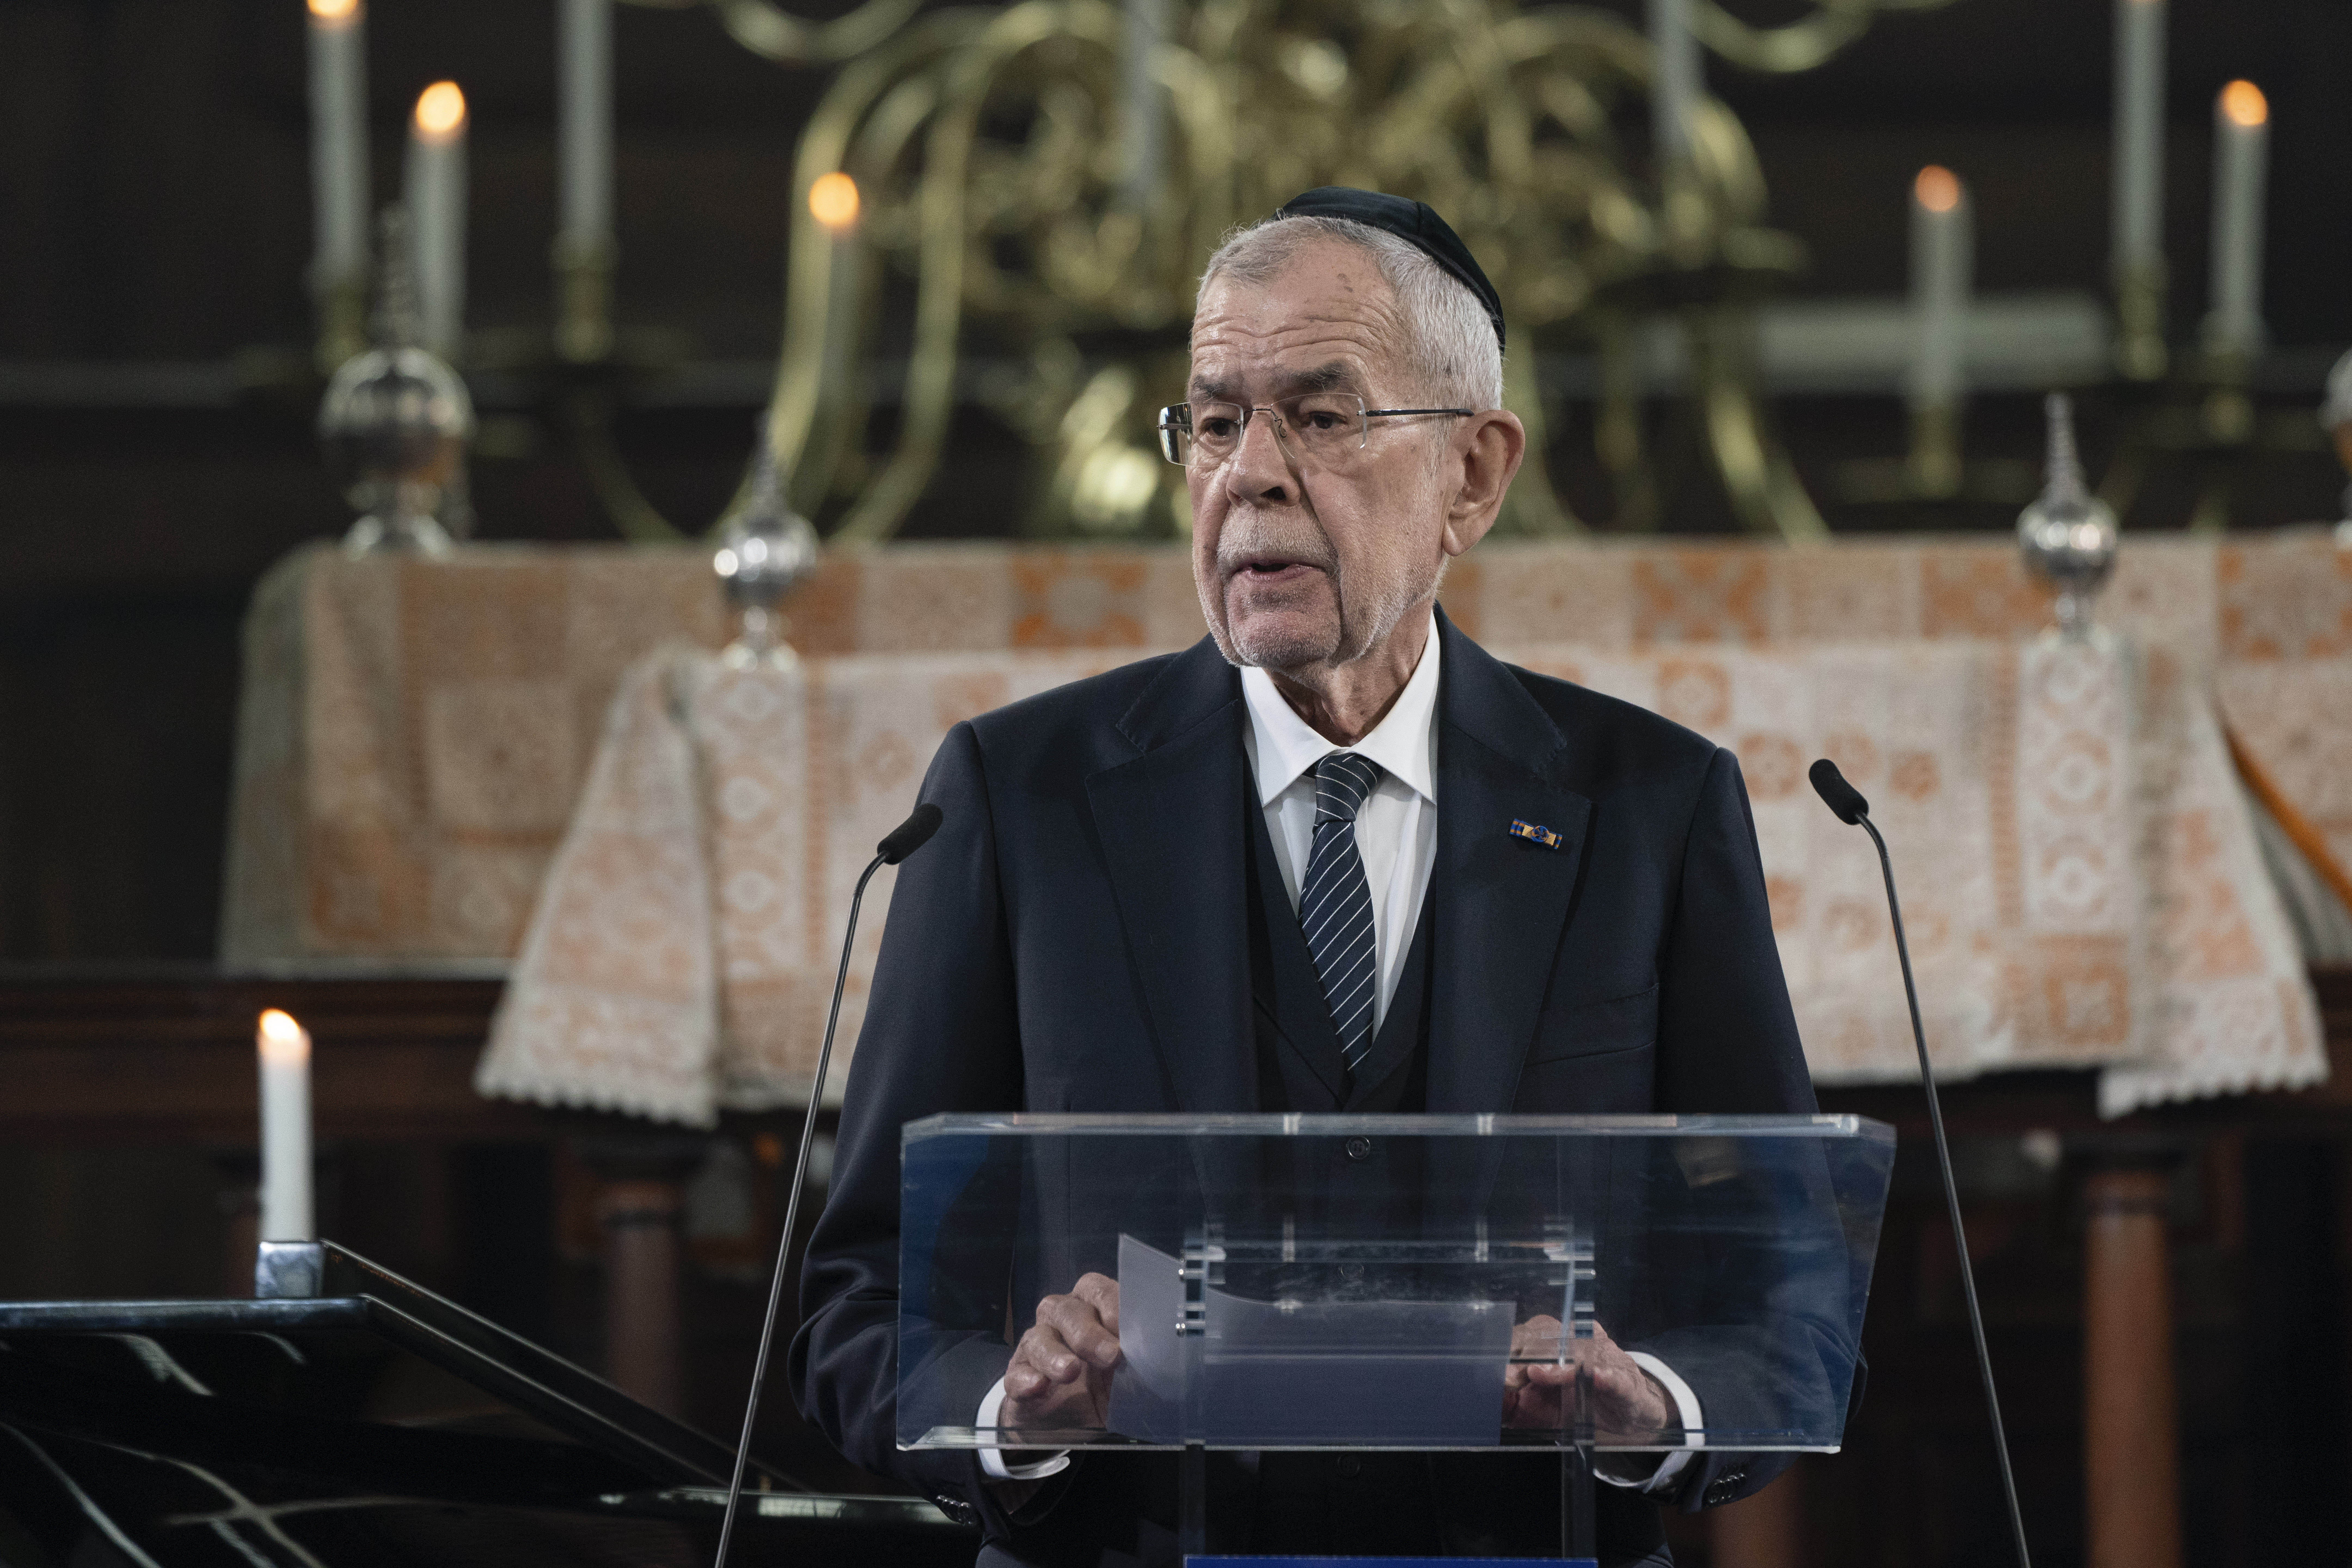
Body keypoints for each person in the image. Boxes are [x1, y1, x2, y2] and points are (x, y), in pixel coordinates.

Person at [791, 187, 1822, 1568]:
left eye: (1320, 418)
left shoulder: (1650, 803)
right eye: (1215, 421)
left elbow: (1790, 1292)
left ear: (1475, 473)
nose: (1250, 474)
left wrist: (1657, 1409)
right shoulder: (1016, 796)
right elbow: (861, 1300)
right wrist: (1013, 1409)